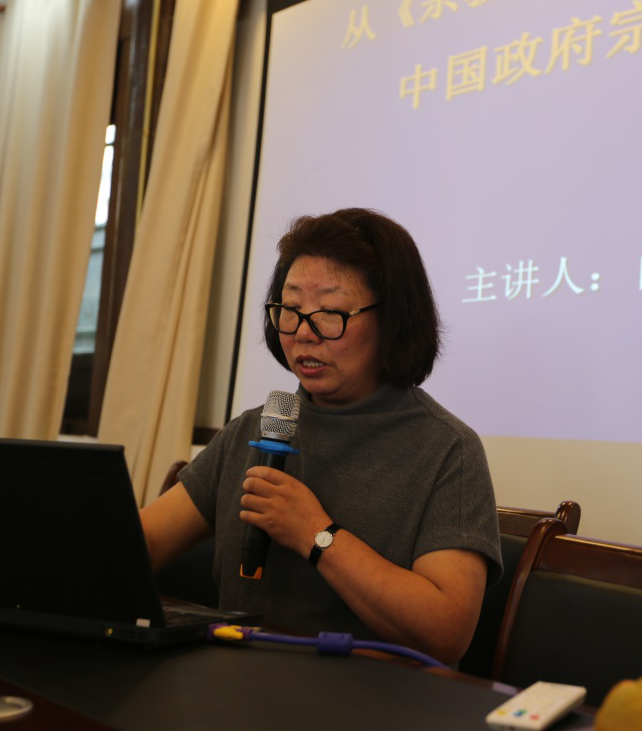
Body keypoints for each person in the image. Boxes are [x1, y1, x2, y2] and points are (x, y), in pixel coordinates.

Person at [141, 208, 501, 665]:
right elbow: (143, 543)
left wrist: (316, 533)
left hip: (366, 696)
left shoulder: (448, 450)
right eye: (290, 311)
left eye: (330, 314)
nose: (303, 334)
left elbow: (446, 634)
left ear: (392, 319)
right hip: (234, 682)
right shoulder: (255, 429)